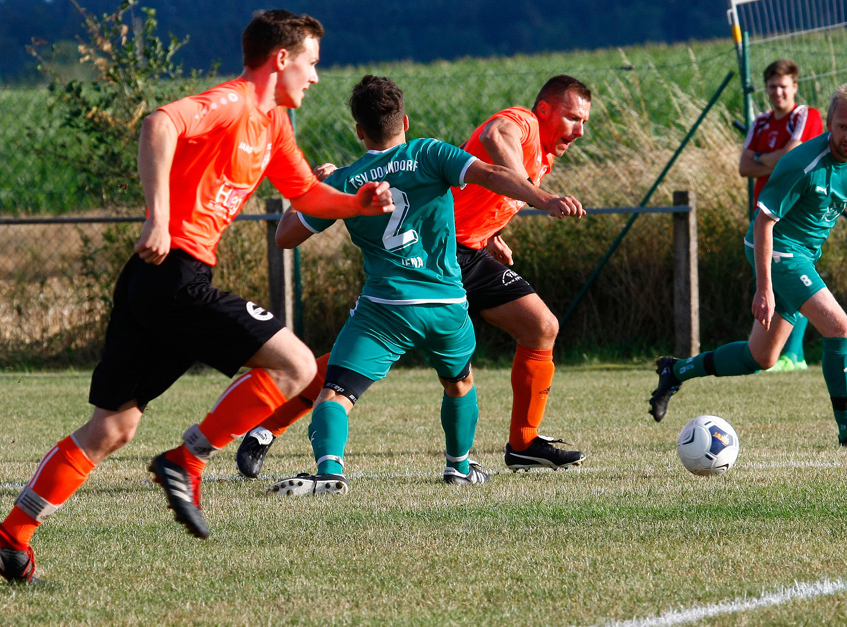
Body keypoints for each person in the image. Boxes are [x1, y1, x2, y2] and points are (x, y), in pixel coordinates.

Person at [0, 10, 396, 584]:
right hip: (173, 273)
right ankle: (187, 458)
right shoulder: (234, 101)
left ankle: (11, 537)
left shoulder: (273, 125)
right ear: (282, 59)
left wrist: (357, 204)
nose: (315, 78)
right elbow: (159, 124)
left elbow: (305, 191)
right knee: (299, 364)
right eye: (311, 63)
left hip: (159, 285)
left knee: (112, 428)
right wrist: (158, 216)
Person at [235, 75, 593, 477]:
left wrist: (492, 232)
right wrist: (543, 198)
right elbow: (496, 140)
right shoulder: (518, 126)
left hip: (461, 255)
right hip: (443, 255)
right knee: (430, 373)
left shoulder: (350, 178)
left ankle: (524, 444)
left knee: (541, 326)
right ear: (406, 123)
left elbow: (287, 234)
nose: (579, 130)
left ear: (359, 131)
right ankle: (267, 427)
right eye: (573, 118)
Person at [648, 84, 847, 448]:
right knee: (840, 327)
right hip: (777, 250)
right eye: (842, 126)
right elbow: (764, 223)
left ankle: (676, 370)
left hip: (804, 254)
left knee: (760, 357)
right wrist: (765, 289)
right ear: (829, 123)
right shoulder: (801, 163)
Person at [739, 59, 823, 372]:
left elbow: (793, 157)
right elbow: (744, 167)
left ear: (794, 87)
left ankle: (795, 355)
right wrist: (773, 160)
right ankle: (772, 352)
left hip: (794, 213)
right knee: (769, 284)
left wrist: (765, 159)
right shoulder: (761, 123)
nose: (778, 92)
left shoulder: (805, 116)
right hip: (765, 213)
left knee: (794, 282)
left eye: (783, 86)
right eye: (772, 86)